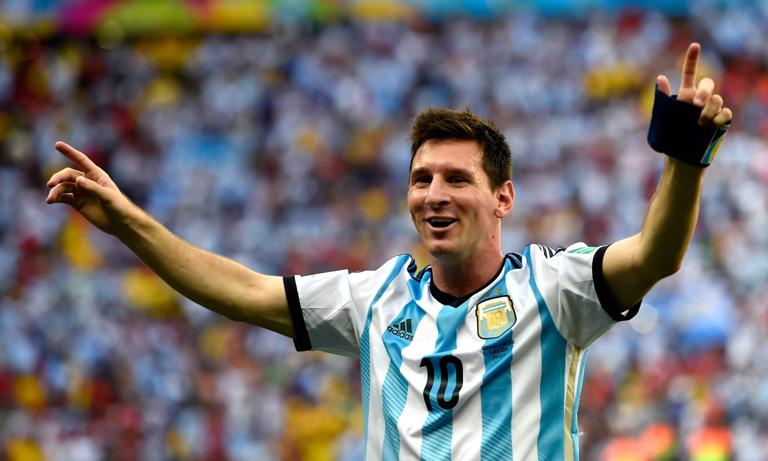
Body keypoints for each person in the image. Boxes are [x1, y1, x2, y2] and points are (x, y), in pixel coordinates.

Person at [46, 42, 732, 460]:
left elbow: (655, 256)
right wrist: (131, 223)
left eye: (458, 178)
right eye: (421, 178)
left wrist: (685, 162)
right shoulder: (375, 299)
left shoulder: (555, 291)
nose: (435, 193)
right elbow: (241, 289)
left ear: (503, 198)